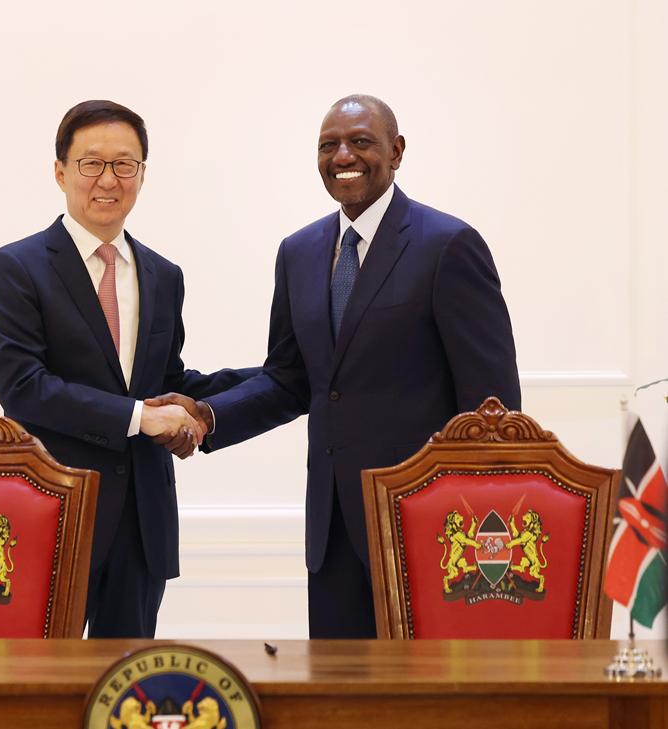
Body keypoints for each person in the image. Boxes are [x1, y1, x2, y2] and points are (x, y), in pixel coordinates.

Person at [152, 94, 521, 638]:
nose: (343, 155)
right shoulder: (298, 251)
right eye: (329, 145)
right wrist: (208, 416)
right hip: (331, 527)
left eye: (360, 141)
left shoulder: (448, 245)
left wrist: (482, 522)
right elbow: (292, 380)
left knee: (427, 684)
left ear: (396, 151)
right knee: (337, 682)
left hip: (430, 525)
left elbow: (493, 409)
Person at [0, 100, 256, 638]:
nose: (108, 179)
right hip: (54, 509)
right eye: (91, 163)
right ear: (61, 172)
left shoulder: (163, 275)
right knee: (42, 680)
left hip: (142, 521)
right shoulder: (14, 269)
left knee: (128, 680)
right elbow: (24, 389)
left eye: (124, 164)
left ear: (142, 174)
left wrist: (274, 378)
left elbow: (166, 385)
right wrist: (140, 417)